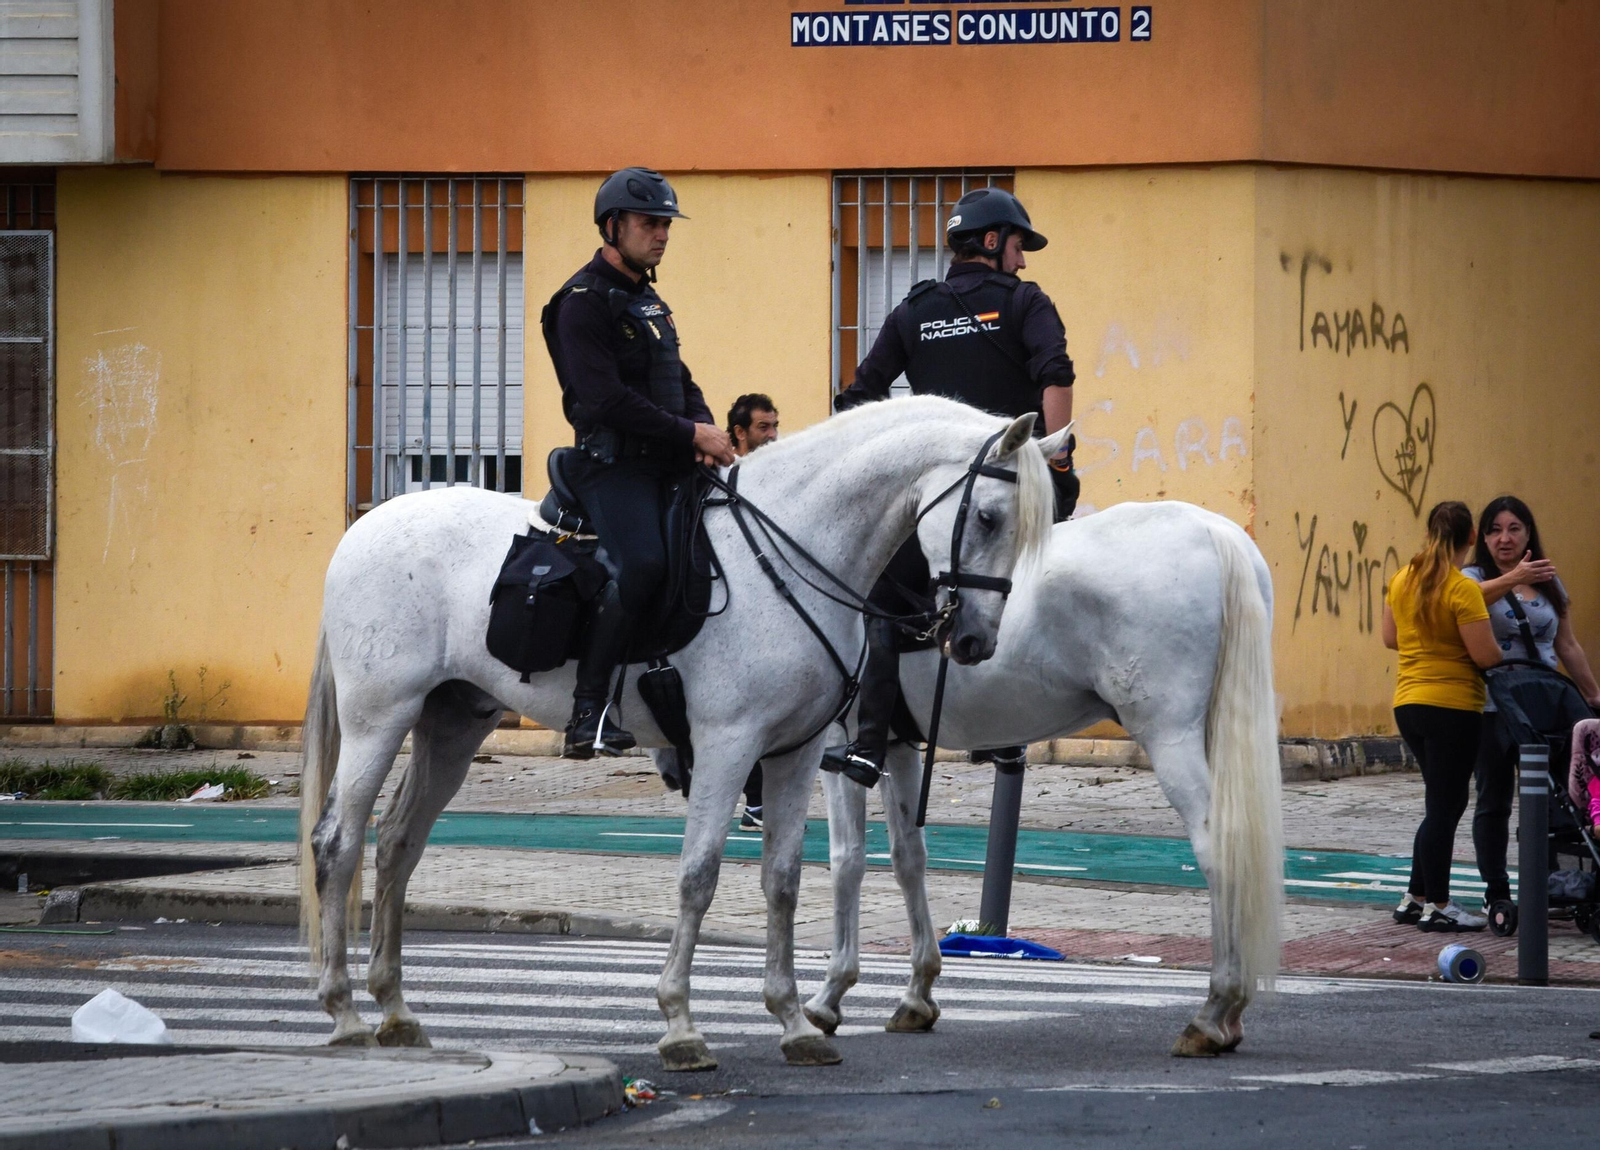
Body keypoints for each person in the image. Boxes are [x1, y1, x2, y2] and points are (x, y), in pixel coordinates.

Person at [823, 186, 1076, 787]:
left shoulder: (913, 311)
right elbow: (1056, 376)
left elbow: (858, 397)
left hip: (939, 498)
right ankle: (1001, 728)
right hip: (1013, 489)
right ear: (991, 241)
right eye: (1018, 246)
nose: (1022, 260)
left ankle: (869, 741)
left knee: (883, 596)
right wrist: (1056, 462)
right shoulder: (1026, 303)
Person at [540, 167, 735, 759]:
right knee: (644, 565)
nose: (662, 235)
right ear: (613, 226)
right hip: (613, 466)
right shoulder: (580, 304)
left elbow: (679, 378)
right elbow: (603, 401)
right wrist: (689, 431)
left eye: (666, 225)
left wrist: (706, 431)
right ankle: (589, 709)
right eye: (651, 223)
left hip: (668, 461)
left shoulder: (646, 298)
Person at [1461, 495, 1600, 908]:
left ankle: (1549, 884)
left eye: (1514, 529)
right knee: (1494, 797)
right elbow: (1465, 607)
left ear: (1528, 534)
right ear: (1483, 538)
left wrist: (1592, 694)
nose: (1504, 538)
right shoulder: (1470, 579)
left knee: (1558, 797)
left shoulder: (1548, 579)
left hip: (1546, 702)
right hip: (1493, 704)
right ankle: (1497, 892)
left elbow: (1567, 644)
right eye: (1494, 530)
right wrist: (1512, 576)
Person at [1382, 501, 1502, 932]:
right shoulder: (1460, 588)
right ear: (1472, 537)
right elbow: (1486, 655)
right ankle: (1440, 904)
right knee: (1447, 807)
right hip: (1453, 706)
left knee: (1439, 804)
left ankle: (1413, 898)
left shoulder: (1401, 579)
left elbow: (1389, 638)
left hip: (1408, 703)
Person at [725, 393, 780, 827]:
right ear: (739, 433)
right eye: (764, 427)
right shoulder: (722, 476)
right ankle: (756, 801)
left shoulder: (778, 476)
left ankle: (759, 803)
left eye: (775, 425)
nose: (774, 435)